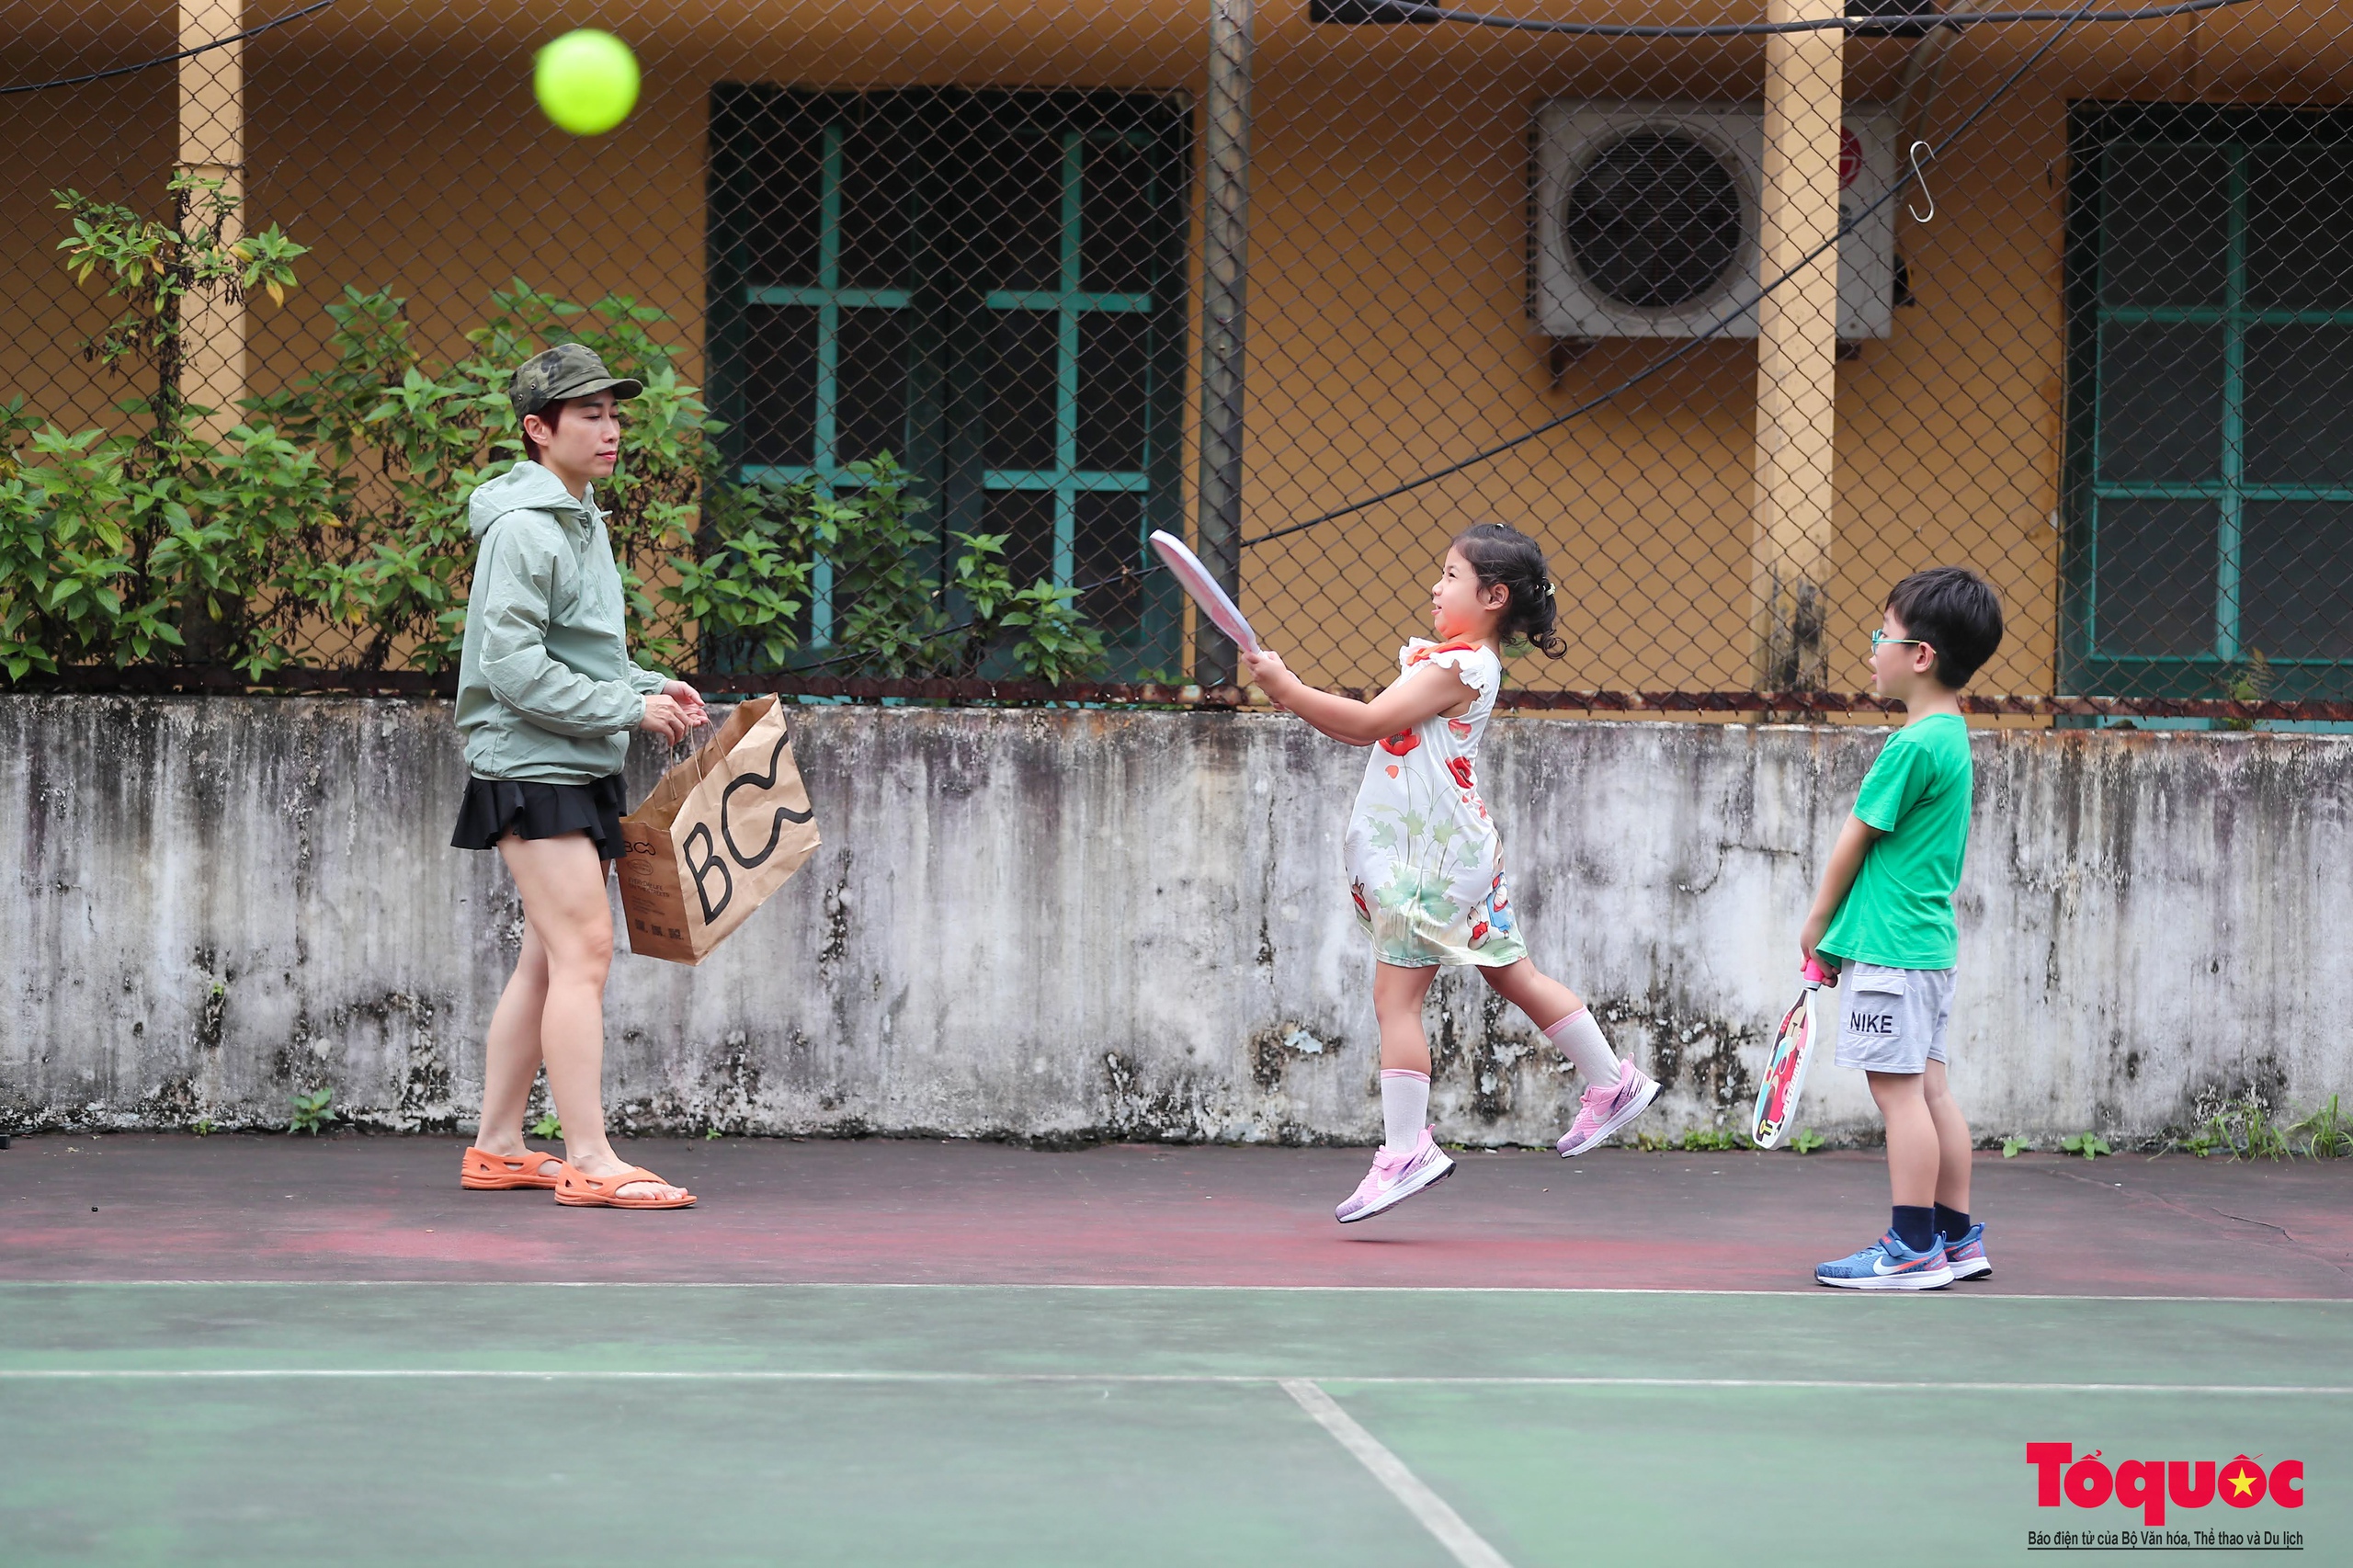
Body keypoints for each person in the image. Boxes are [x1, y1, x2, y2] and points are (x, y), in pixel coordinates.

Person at [1245, 522, 1660, 1223]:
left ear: (1493, 596)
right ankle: (1611, 1081)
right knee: (1509, 971)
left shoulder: (1460, 668)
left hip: (1427, 862)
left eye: (1450, 576)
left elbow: (1366, 723)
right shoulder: (1452, 660)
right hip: (1454, 851)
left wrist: (1286, 687)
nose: (1435, 588)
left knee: (1397, 1003)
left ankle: (1406, 1151)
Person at [449, 343, 708, 1210]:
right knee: (585, 952)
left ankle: (497, 1147)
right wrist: (628, 712)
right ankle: (591, 1162)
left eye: (613, 411)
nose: (610, 428)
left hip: (571, 759)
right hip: (532, 765)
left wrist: (647, 686)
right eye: (588, 413)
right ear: (537, 428)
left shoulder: (578, 515)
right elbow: (513, 668)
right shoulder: (526, 529)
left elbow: (583, 654)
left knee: (549, 958)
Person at [1802, 566, 2006, 1289]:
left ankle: (1912, 1247)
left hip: (1892, 952)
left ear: (1919, 654)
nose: (1871, 648)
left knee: (1898, 1099)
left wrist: (1817, 924)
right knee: (1932, 1094)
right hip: (1927, 950)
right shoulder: (1951, 738)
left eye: (1879, 634)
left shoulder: (1911, 745)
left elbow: (1854, 840)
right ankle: (1955, 1237)